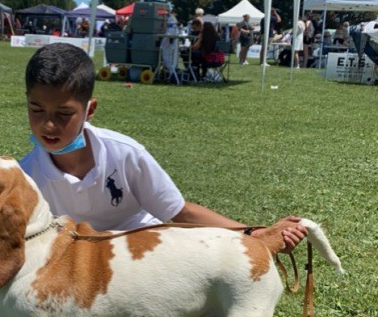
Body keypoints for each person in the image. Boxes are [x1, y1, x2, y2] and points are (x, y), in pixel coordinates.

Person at [18, 42, 306, 248]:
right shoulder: (24, 175)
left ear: (89, 111)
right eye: (37, 110)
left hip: (144, 249)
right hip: (78, 261)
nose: (48, 125)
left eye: (64, 114)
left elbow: (180, 212)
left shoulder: (125, 154)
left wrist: (254, 233)